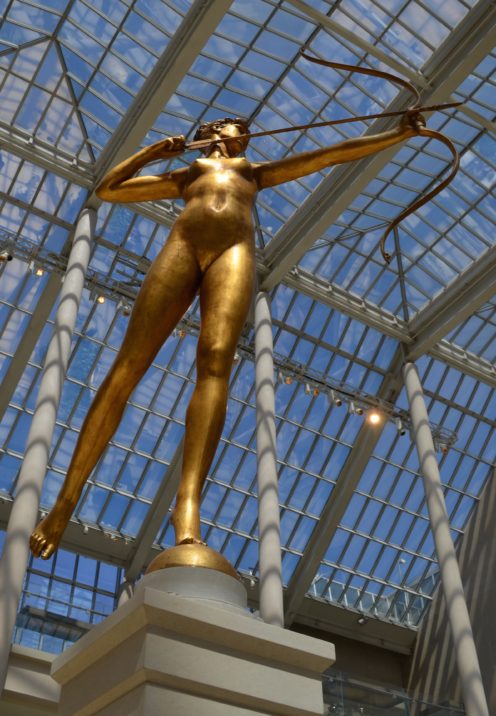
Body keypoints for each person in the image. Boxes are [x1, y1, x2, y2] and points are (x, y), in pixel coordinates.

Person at [30, 112, 424, 559]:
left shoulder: (251, 173)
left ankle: (187, 507)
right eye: (238, 129)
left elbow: (329, 156)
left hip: (233, 251)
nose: (245, 136)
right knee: (128, 364)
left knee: (216, 361)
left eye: (247, 132)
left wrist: (397, 134)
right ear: (212, 131)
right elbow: (109, 189)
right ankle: (64, 504)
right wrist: (153, 152)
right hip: (182, 246)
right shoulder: (187, 174)